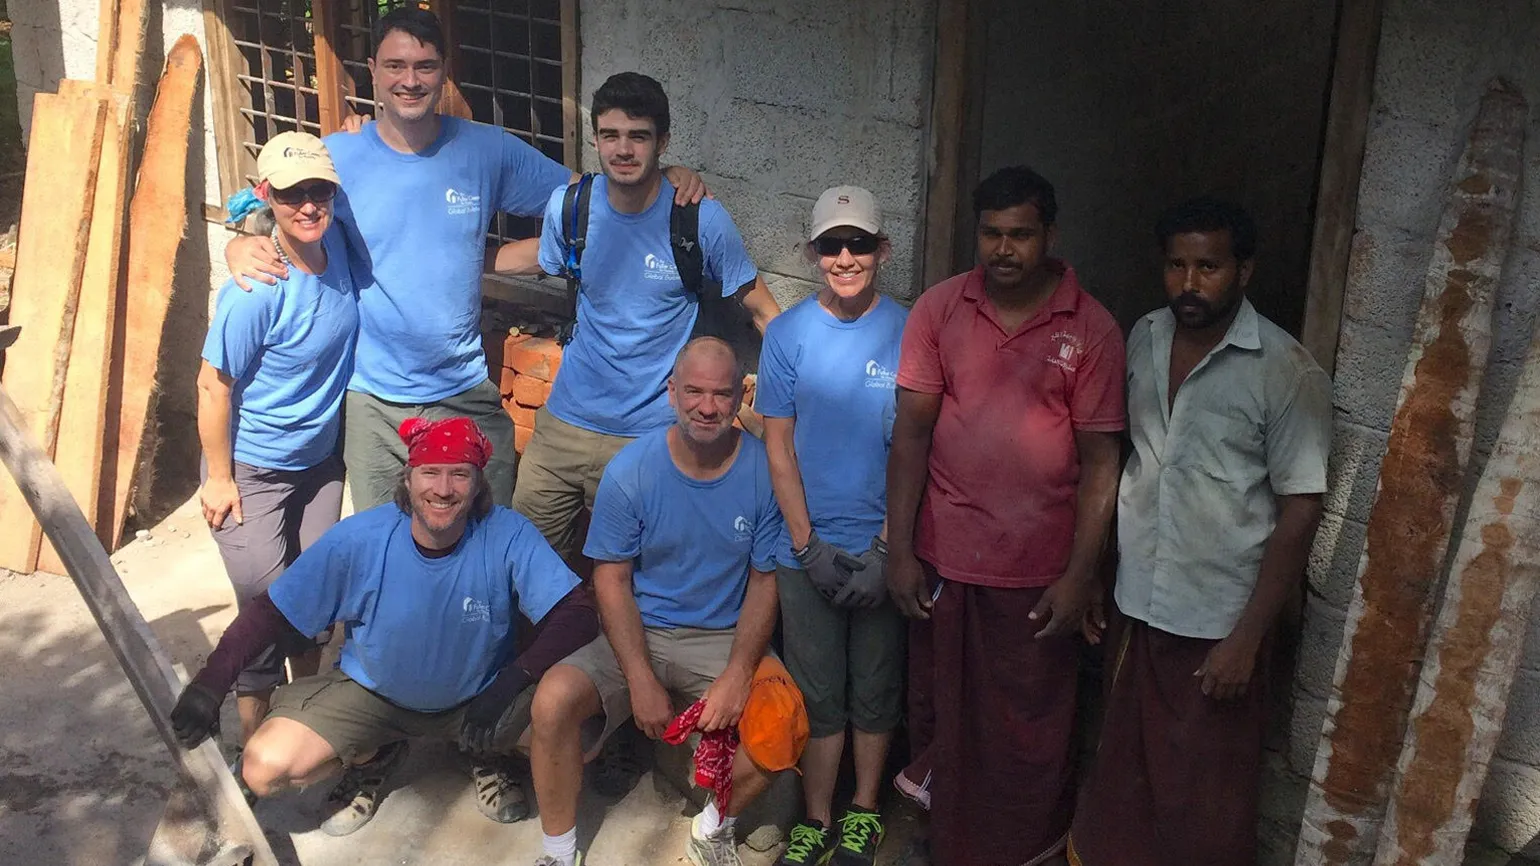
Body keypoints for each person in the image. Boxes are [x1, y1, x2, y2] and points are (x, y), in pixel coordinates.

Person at [223, 8, 708, 513]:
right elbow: (269, 208)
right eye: (395, 65)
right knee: (388, 548)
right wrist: (239, 243)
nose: (410, 81)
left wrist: (664, 173)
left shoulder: (485, 150)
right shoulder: (339, 156)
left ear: (444, 71)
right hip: (374, 404)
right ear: (373, 69)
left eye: (425, 66)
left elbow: (589, 200)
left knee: (486, 540)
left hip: (464, 390)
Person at [169, 418, 600, 836]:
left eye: (460, 475)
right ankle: (372, 755)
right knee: (264, 768)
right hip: (372, 693)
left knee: (580, 739)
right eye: (429, 472)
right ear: (408, 480)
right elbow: (271, 613)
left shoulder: (505, 532)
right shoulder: (360, 538)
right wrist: (211, 683)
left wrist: (514, 679)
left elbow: (576, 613)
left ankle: (482, 749)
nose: (443, 490)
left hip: (481, 694)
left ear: (480, 484)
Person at [1066, 199, 1330, 866]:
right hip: (1139, 604)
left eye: (1208, 266)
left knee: (1204, 800)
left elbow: (1300, 509)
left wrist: (1247, 638)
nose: (1190, 282)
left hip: (1218, 623)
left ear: (1243, 270)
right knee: (1125, 779)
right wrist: (1101, 576)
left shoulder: (1284, 369)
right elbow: (1130, 465)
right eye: (1177, 265)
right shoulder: (1145, 337)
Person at [885, 166, 1125, 865]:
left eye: (1020, 234)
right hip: (944, 558)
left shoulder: (1092, 328)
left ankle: (1023, 852)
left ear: (1049, 235)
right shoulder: (940, 309)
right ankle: (945, 842)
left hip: (1037, 573)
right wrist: (899, 549)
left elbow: (1102, 463)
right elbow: (911, 435)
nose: (1004, 249)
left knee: (1026, 727)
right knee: (940, 715)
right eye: (991, 233)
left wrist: (1081, 575)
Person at [526, 337, 785, 866]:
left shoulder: (764, 472)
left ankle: (711, 827)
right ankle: (558, 851)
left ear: (742, 396)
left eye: (721, 393)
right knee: (552, 702)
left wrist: (738, 674)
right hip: (640, 628)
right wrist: (640, 678)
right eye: (693, 391)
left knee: (784, 721)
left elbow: (765, 581)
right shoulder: (633, 469)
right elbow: (611, 580)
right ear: (671, 392)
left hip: (720, 635)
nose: (707, 407)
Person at [518, 72, 780, 564]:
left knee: (640, 580)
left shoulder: (699, 219)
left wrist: (798, 397)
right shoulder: (570, 209)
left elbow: (766, 313)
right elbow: (547, 264)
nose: (623, 149)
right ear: (594, 139)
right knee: (524, 571)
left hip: (648, 439)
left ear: (663, 142)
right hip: (562, 429)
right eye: (610, 135)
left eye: (638, 136)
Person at [757, 186, 907, 866]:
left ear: (883, 249)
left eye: (858, 244)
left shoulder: (912, 331)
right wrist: (806, 546)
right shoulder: (788, 335)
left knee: (874, 687)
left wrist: (886, 550)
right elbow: (779, 446)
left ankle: (864, 812)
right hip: (807, 549)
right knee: (818, 691)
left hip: (883, 548)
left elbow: (916, 451)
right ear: (814, 254)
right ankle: (816, 816)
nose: (845, 258)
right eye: (831, 246)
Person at [196, 131, 355, 747]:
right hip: (253, 469)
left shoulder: (336, 242)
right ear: (268, 194)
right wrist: (218, 475)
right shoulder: (256, 290)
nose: (309, 206)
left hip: (320, 461)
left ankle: (299, 721)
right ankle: (255, 748)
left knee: (314, 601)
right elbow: (213, 385)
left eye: (319, 191)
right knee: (265, 607)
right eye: (292, 195)